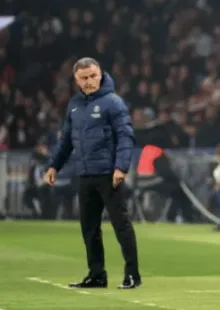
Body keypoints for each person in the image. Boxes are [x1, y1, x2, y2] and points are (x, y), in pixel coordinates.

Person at [43, 57, 141, 289]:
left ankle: (132, 275)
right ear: (76, 80)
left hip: (109, 174)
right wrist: (53, 165)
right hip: (85, 174)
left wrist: (121, 167)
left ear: (101, 74)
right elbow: (67, 140)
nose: (89, 81)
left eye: (93, 76)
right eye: (84, 78)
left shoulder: (113, 103)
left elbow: (125, 137)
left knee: (121, 225)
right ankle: (97, 274)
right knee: (89, 228)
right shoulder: (74, 105)